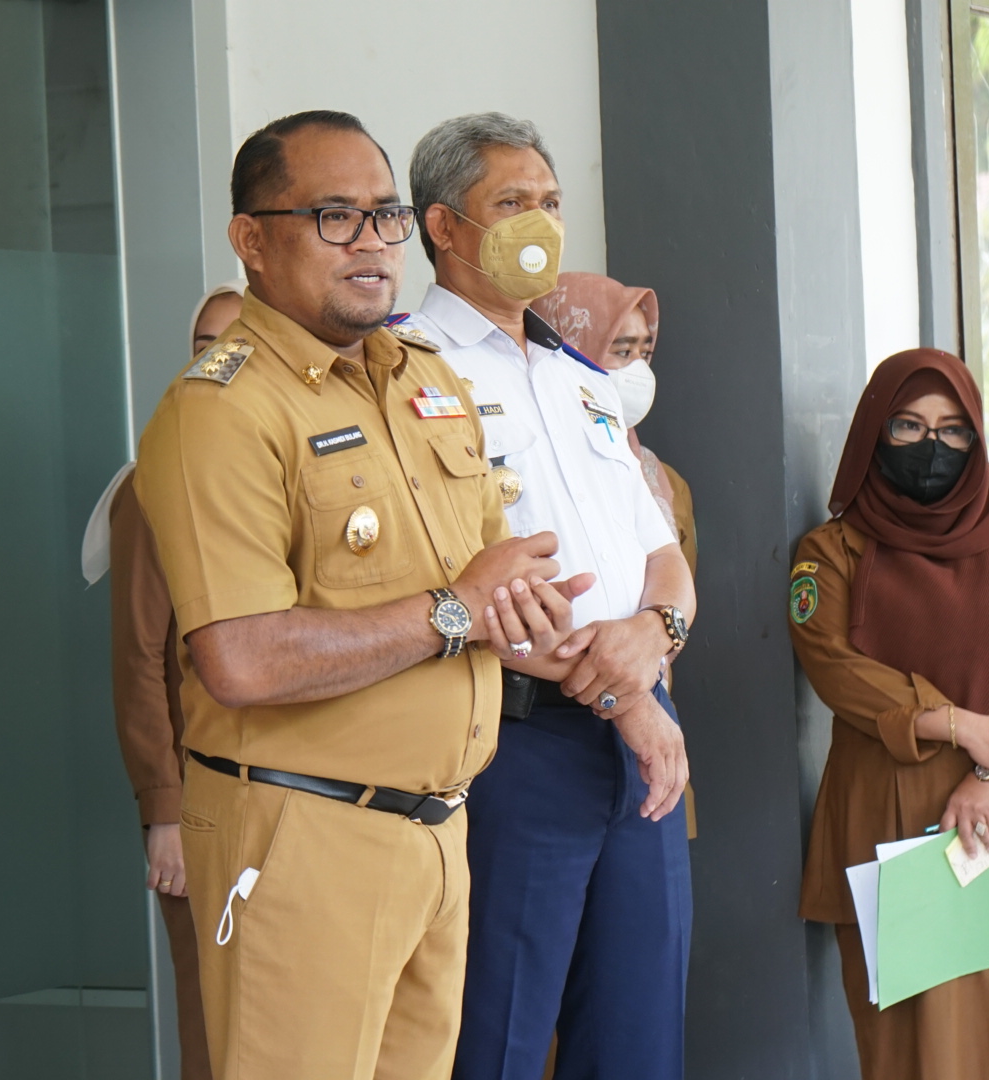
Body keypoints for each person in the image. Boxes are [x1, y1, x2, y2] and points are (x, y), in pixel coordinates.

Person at [133, 109, 592, 1080]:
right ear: (252, 239)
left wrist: (533, 615)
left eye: (386, 216)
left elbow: (485, 587)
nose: (372, 243)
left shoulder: (425, 380)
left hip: (440, 831)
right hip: (304, 836)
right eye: (334, 217)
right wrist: (453, 611)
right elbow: (242, 659)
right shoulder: (223, 409)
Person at [398, 112, 695, 1080]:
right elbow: (470, 587)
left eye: (553, 201)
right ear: (443, 226)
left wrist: (657, 633)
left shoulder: (583, 380)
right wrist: (625, 695)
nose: (542, 222)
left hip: (638, 744)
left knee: (639, 1039)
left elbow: (663, 556)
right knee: (498, 1037)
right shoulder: (404, 373)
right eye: (513, 202)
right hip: (514, 745)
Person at [788, 349, 989, 1080]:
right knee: (915, 1050)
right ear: (874, 432)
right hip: (890, 817)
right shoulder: (831, 552)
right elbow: (835, 667)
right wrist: (960, 724)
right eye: (910, 426)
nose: (932, 446)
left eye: (953, 430)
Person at [81, 278, 246, 1080]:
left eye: (243, 344)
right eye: (205, 346)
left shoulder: (278, 467)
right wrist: (164, 811)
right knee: (214, 1022)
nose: (223, 362)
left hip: (291, 800)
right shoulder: (158, 477)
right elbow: (140, 658)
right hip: (202, 803)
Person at [532, 272, 697, 572]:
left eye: (645, 353)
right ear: (568, 351)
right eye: (623, 351)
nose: (639, 369)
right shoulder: (527, 470)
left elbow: (682, 590)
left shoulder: (663, 480)